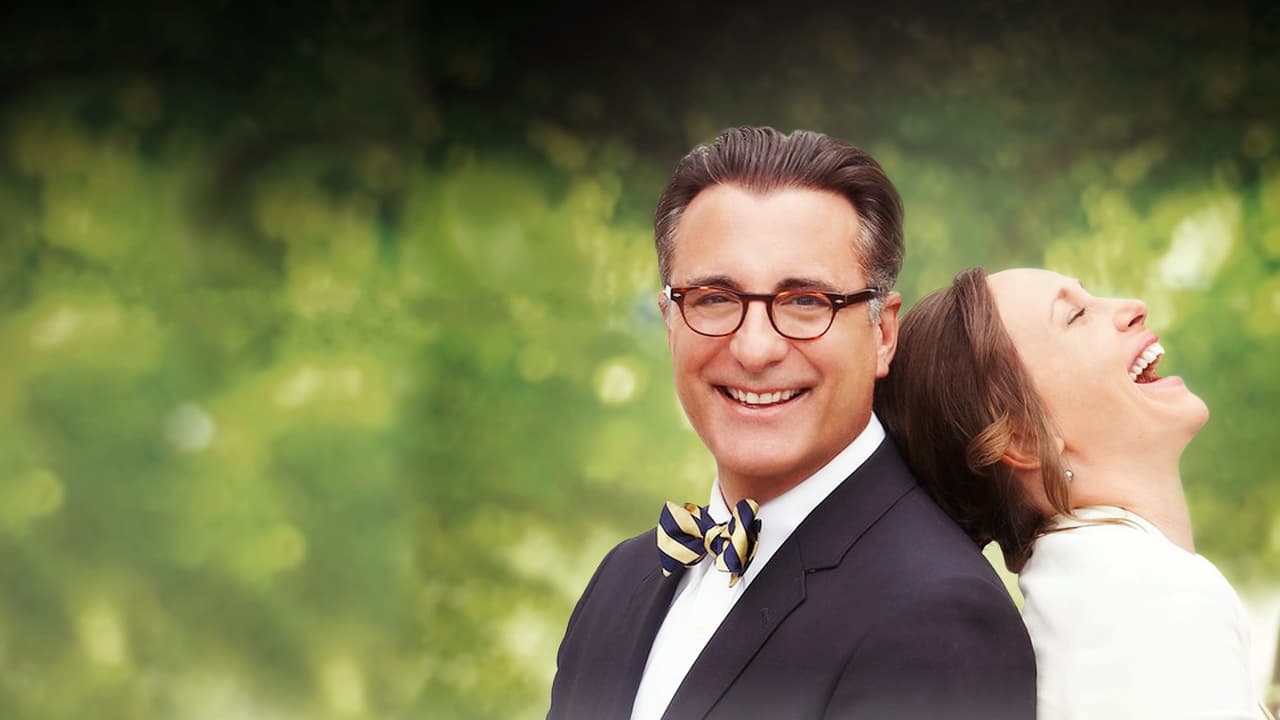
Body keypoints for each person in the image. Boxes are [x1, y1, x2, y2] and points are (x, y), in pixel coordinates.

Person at [548, 127, 1036, 720]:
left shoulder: (941, 615)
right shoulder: (622, 579)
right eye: (714, 298)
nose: (755, 349)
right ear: (670, 323)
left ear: (883, 334)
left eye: (807, 301)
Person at [874, 266, 1269, 719]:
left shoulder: (1097, 592)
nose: (1132, 308)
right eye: (1076, 315)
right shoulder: (1144, 600)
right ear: (1023, 436)